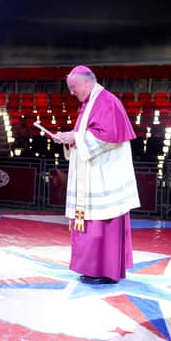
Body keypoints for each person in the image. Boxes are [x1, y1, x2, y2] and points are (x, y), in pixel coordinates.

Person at [53, 65, 140, 285]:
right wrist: (69, 138)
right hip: (93, 175)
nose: (72, 92)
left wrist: (74, 138)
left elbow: (108, 137)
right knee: (92, 225)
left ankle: (105, 270)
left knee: (104, 225)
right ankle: (92, 268)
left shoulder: (106, 102)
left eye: (73, 87)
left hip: (104, 176)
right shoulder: (90, 104)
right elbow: (85, 135)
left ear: (86, 82)